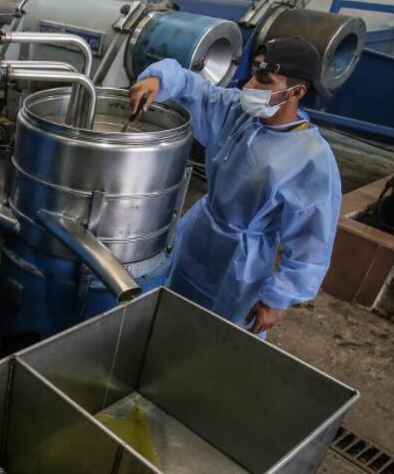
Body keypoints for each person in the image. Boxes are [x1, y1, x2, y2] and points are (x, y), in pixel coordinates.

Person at [129, 37, 341, 336]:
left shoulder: (312, 160)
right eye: (254, 73)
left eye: (265, 80)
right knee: (169, 313)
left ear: (297, 91)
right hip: (198, 233)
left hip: (240, 263)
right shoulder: (239, 114)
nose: (251, 86)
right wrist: (157, 78)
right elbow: (193, 87)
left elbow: (312, 245)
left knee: (217, 335)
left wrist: (275, 300)